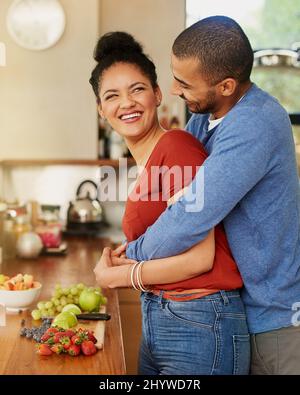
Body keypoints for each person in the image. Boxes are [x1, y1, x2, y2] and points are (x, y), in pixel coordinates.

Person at [123, 16, 300, 375]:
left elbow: (190, 213)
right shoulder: (205, 118)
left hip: (274, 318)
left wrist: (132, 259)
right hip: (239, 307)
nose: (173, 90)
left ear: (226, 85)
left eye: (184, 83)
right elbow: (175, 198)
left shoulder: (254, 123)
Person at [90, 31, 250, 375]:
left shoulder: (178, 148)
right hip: (165, 316)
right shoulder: (148, 164)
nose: (127, 103)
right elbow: (167, 239)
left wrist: (121, 277)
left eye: (137, 89)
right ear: (101, 110)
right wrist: (127, 254)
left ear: (158, 94)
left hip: (200, 320)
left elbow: (199, 256)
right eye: (112, 96)